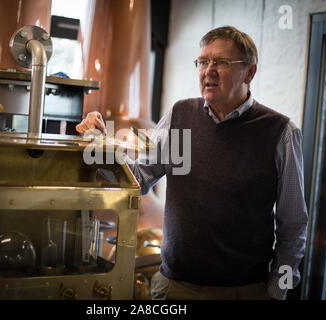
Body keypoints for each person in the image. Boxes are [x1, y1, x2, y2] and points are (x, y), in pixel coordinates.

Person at [76, 26, 308, 300]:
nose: (208, 70)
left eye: (221, 62)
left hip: (242, 291)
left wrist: (277, 290)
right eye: (203, 61)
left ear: (249, 72)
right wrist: (101, 145)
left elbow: (292, 224)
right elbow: (138, 180)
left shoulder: (280, 132)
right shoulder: (180, 115)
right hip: (174, 286)